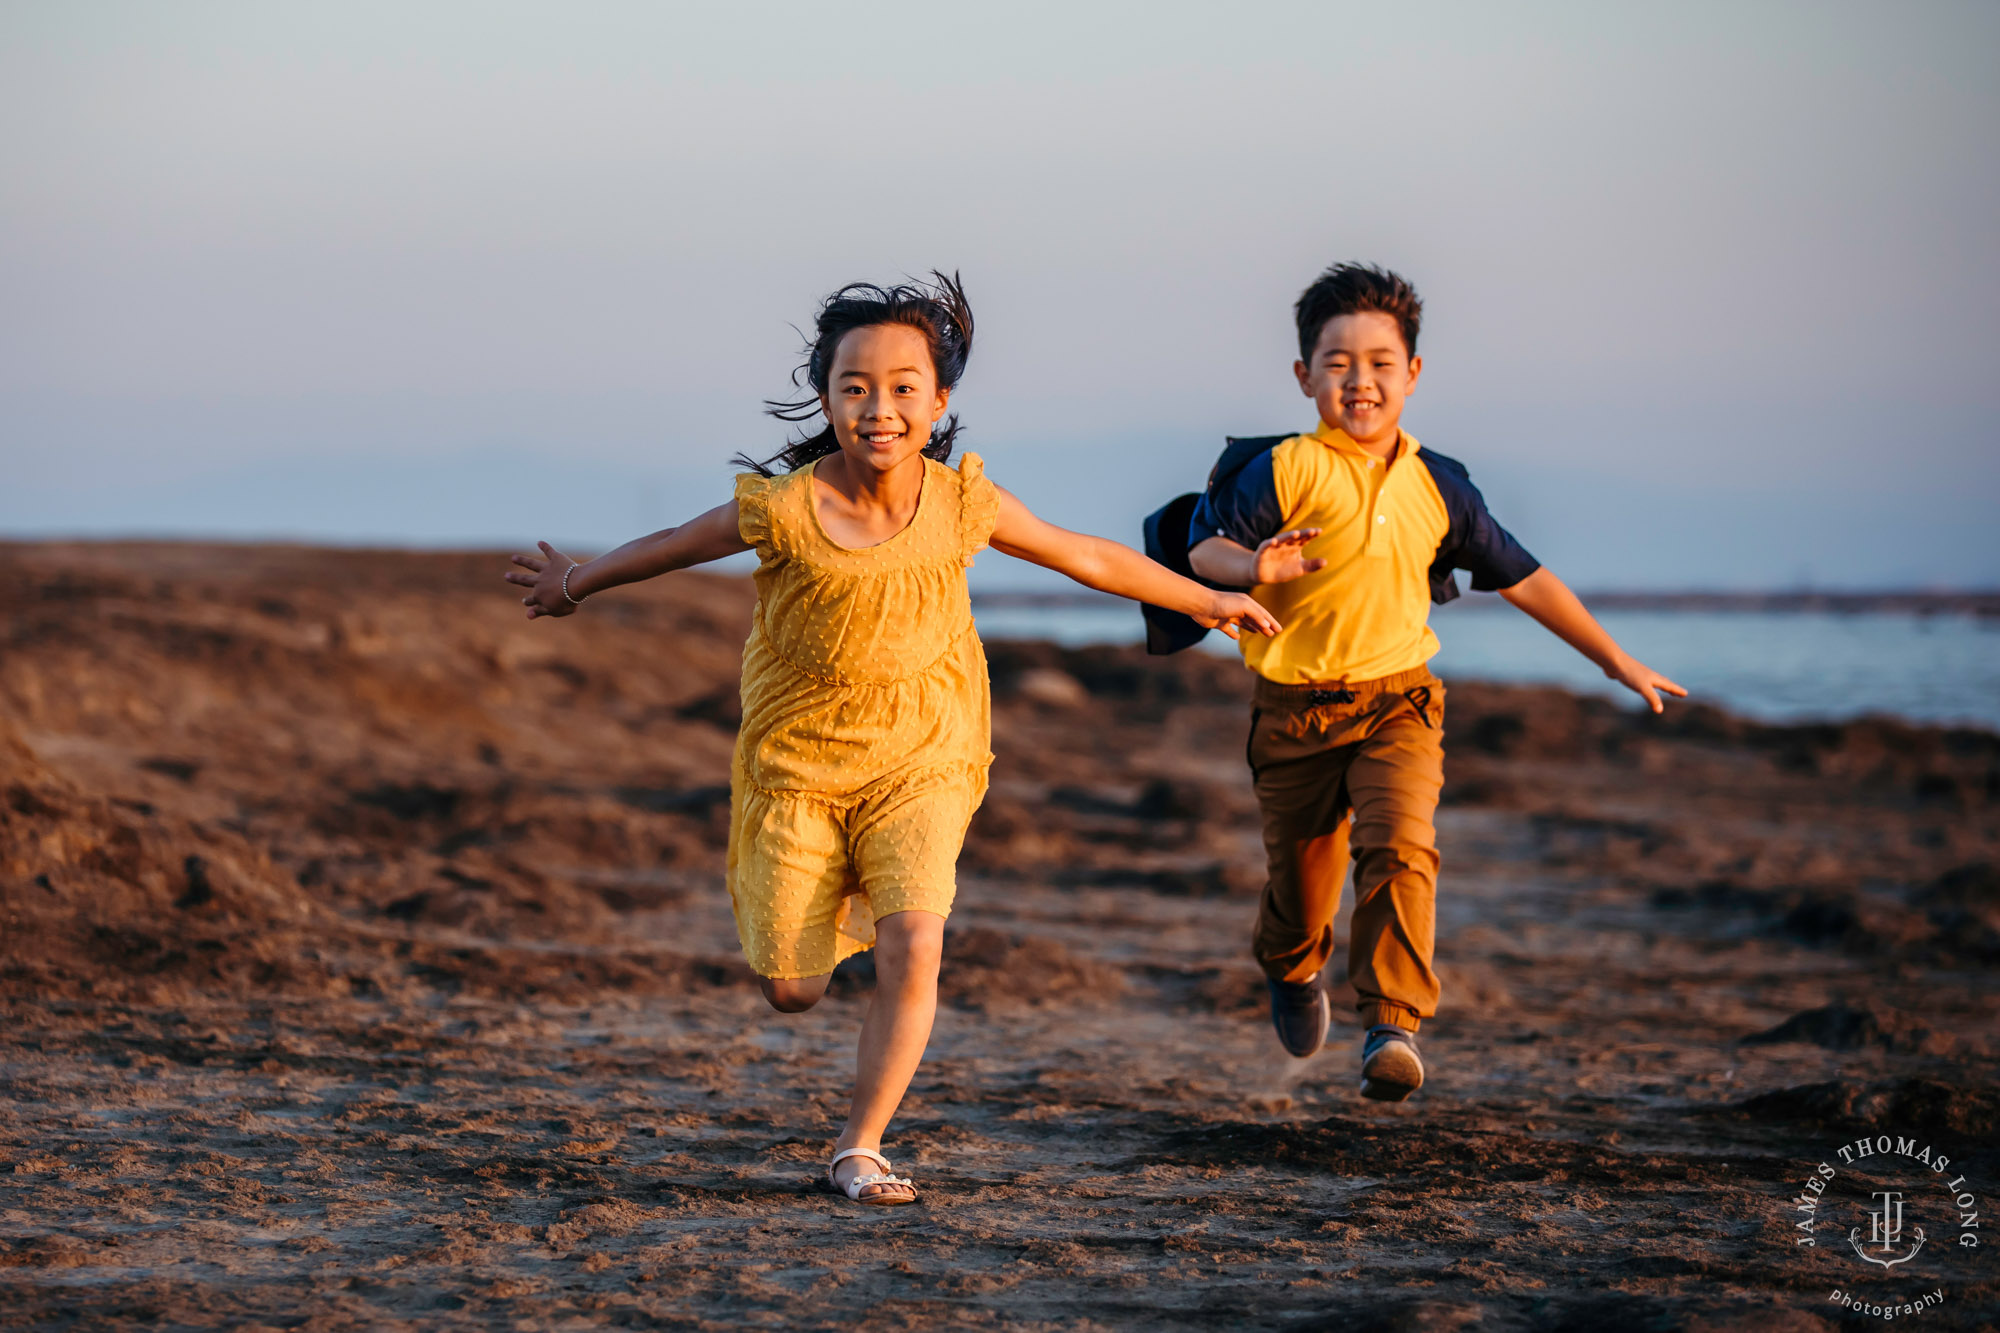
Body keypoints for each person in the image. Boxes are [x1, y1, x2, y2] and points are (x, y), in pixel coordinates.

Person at [506, 273, 1280, 1203]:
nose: (881, 408)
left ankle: (860, 1146)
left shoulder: (962, 504)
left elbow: (1085, 554)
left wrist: (1209, 600)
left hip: (926, 755)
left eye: (904, 387)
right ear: (827, 396)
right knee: (792, 988)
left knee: (917, 941)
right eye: (857, 387)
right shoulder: (785, 507)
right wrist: (577, 581)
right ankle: (821, 909)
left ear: (939, 400)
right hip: (798, 762)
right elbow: (677, 541)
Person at [1177, 262, 1684, 1101]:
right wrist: (1254, 565)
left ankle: (1392, 1024)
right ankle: (1295, 968)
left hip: (1399, 703)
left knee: (1401, 847)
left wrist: (1613, 657)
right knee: (1301, 897)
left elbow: (1523, 576)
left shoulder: (1438, 486)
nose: (1360, 380)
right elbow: (1206, 552)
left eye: (1380, 362)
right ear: (1303, 377)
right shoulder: (1284, 469)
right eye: (1337, 363)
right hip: (1294, 715)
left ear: (1413, 374)